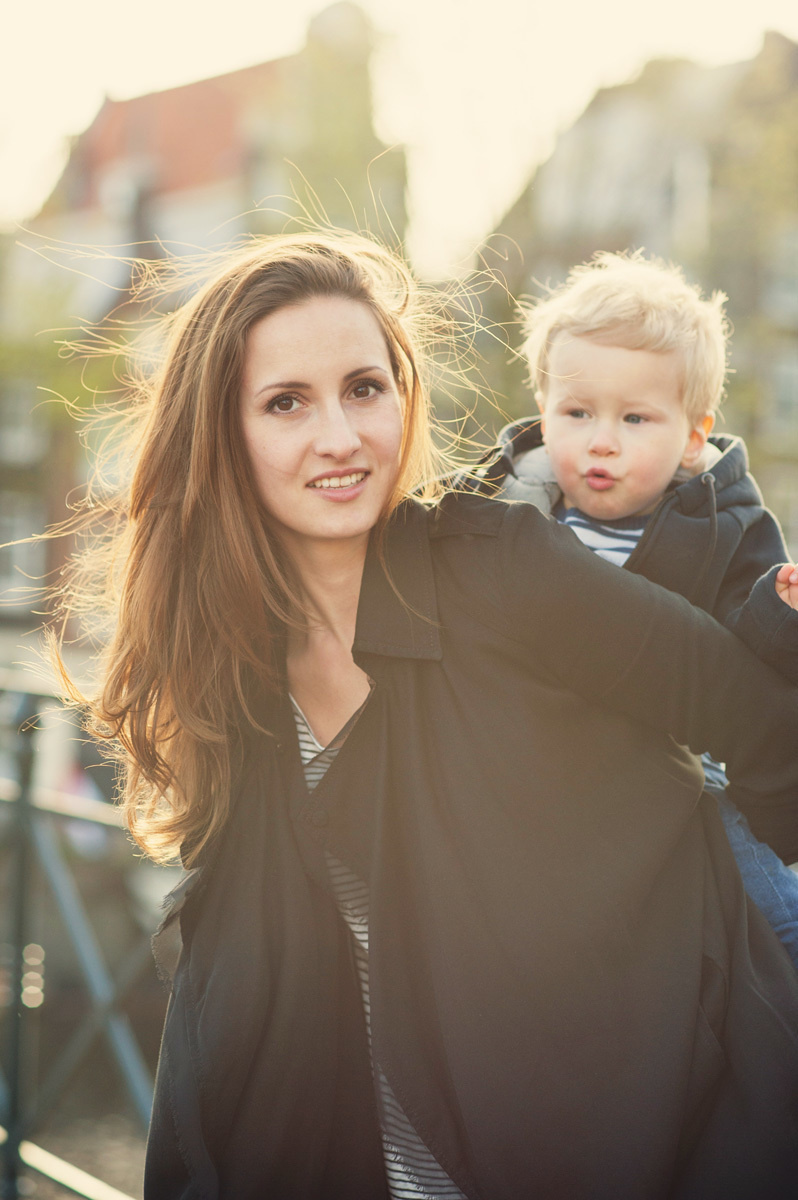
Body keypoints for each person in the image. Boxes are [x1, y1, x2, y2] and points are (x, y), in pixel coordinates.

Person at [53, 232, 798, 1199]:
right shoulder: (234, 658)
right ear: (220, 433)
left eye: (365, 388)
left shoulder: (505, 565)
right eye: (287, 402)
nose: (342, 436)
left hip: (623, 1131)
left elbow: (766, 727)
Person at [471, 251, 798, 969]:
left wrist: (780, 613)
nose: (601, 441)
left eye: (635, 418)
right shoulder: (510, 516)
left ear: (690, 436)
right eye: (577, 412)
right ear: (543, 410)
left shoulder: (723, 523)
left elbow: (746, 667)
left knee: (772, 911)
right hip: (541, 776)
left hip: (684, 775)